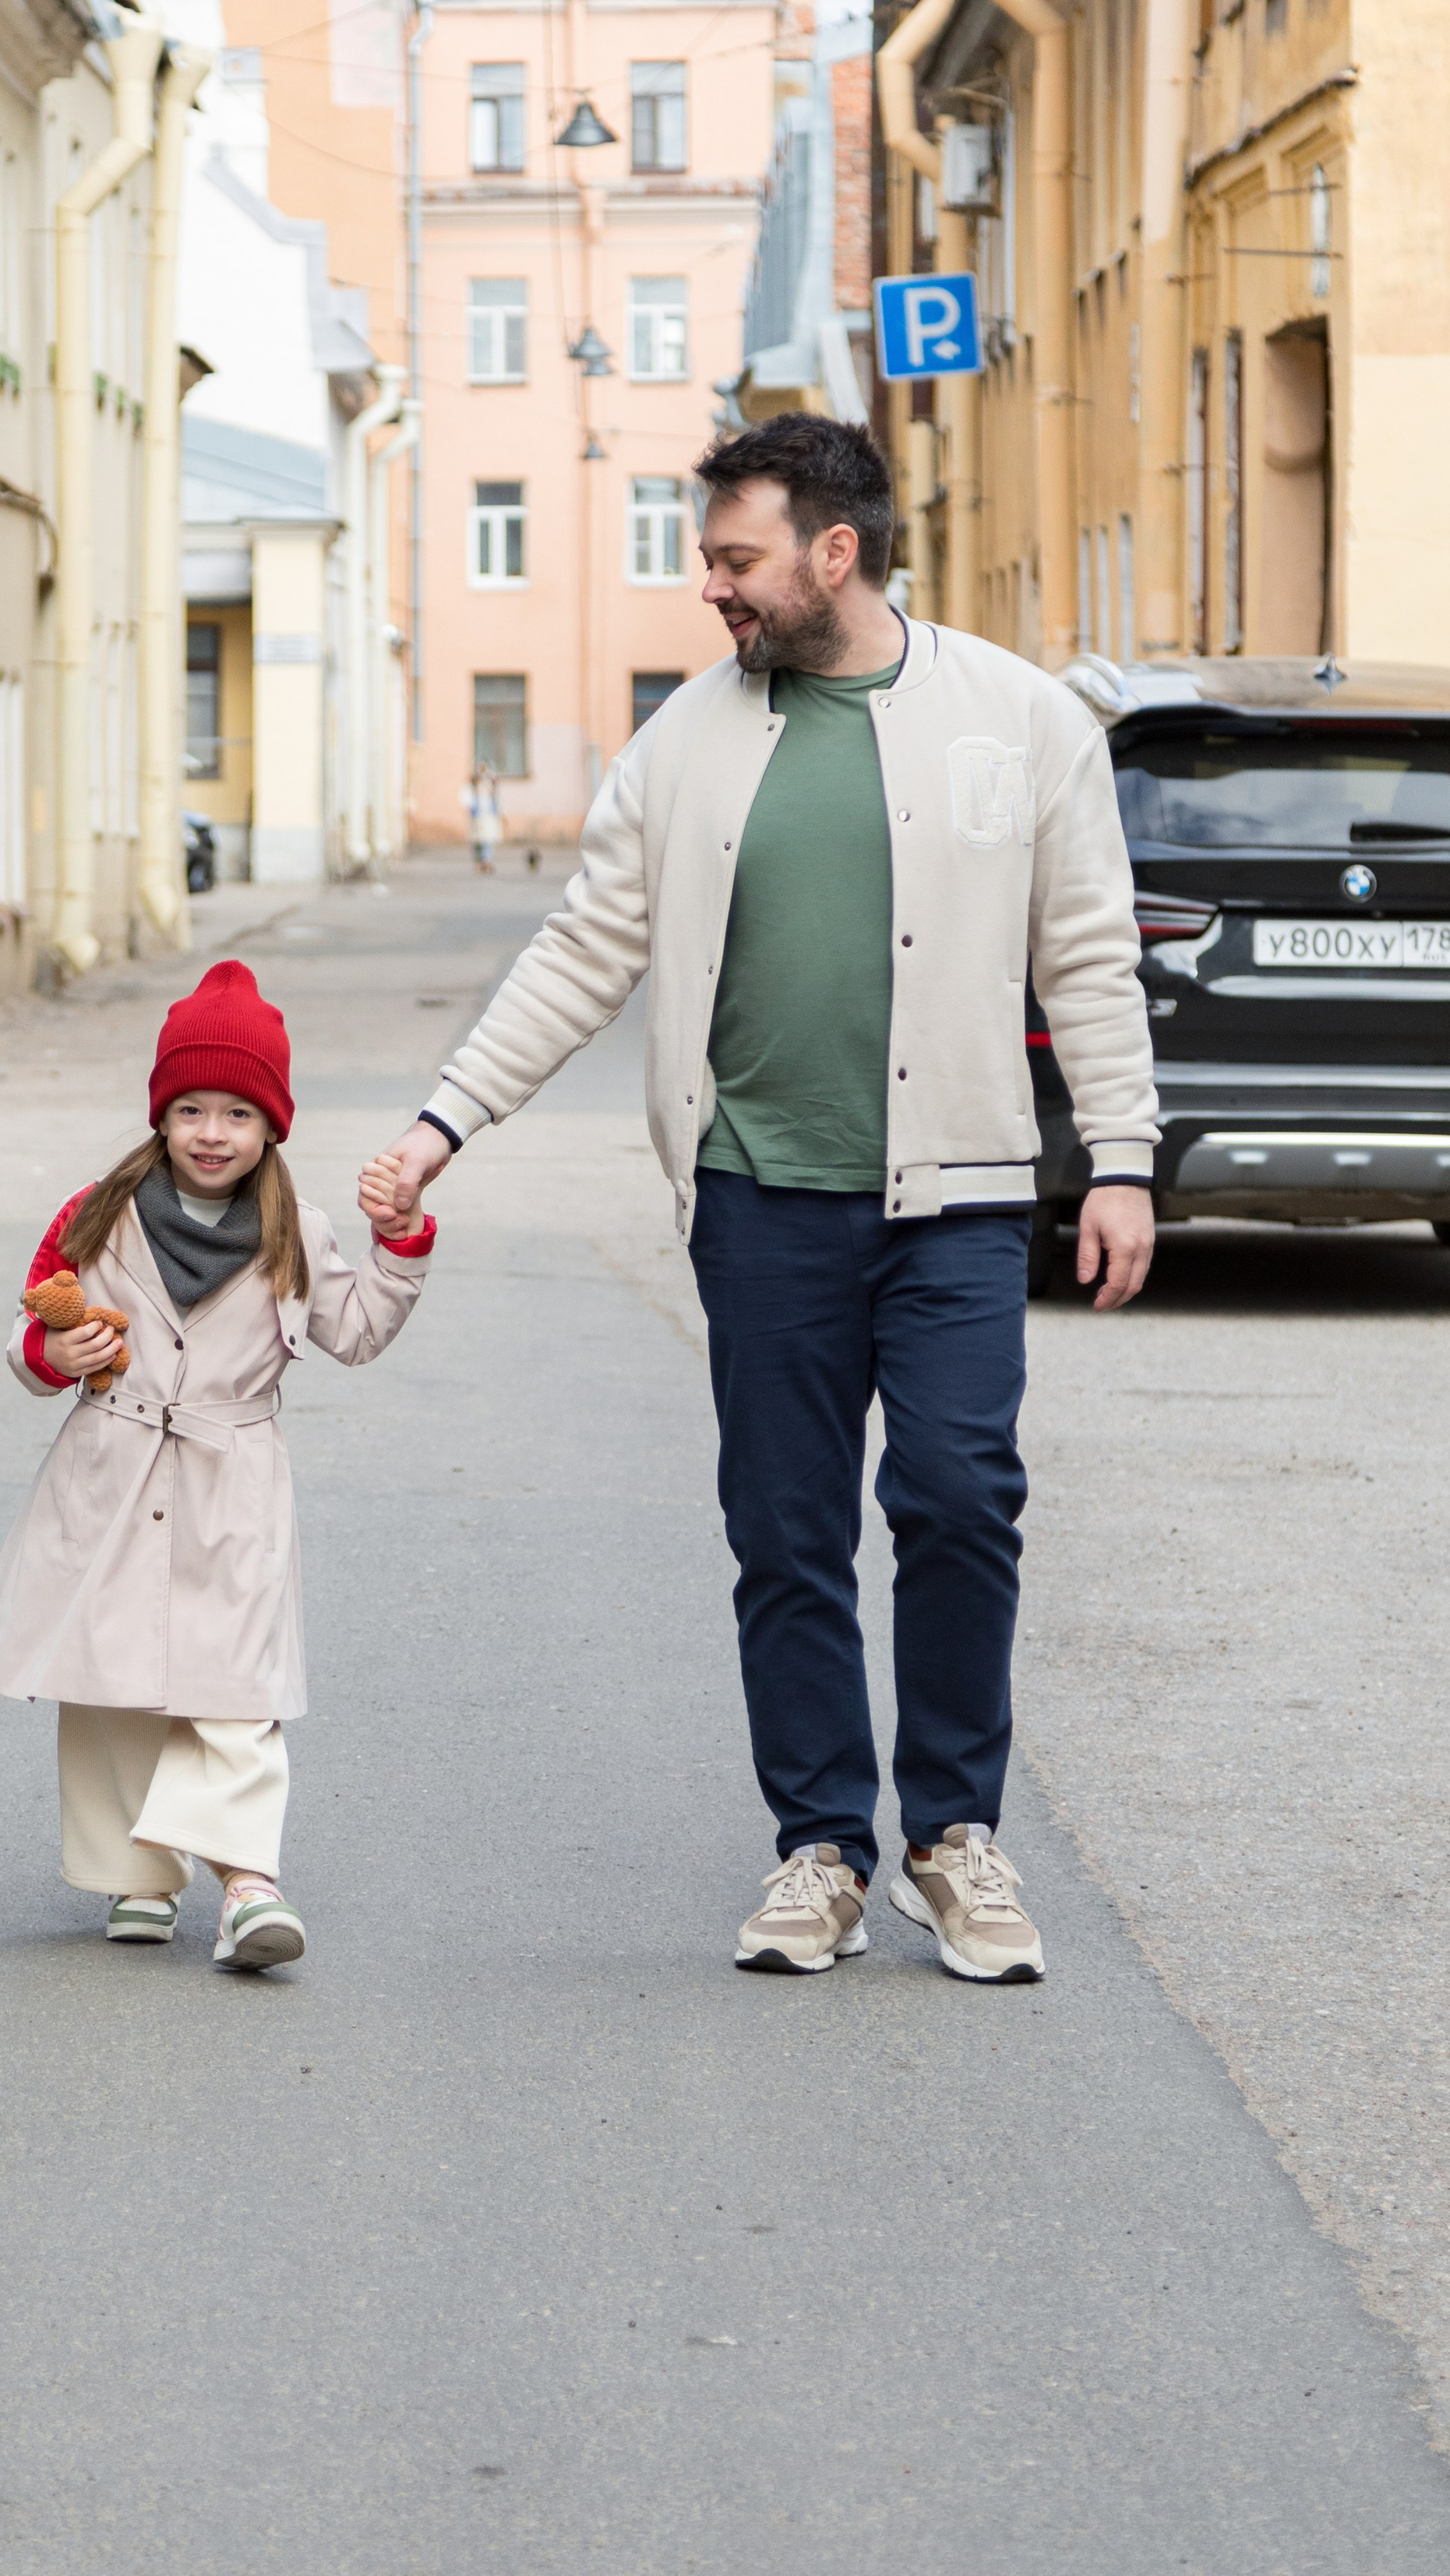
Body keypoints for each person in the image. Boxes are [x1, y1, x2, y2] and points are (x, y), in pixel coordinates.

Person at [369, 415, 1156, 1986]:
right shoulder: (684, 746)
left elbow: (1085, 948)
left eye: (733, 559)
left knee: (954, 1499)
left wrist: (1121, 1158)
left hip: (960, 1202)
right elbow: (581, 954)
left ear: (832, 550)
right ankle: (818, 1847)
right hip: (758, 1201)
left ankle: (950, 1837)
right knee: (785, 1531)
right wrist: (443, 1121)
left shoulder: (1015, 718)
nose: (711, 592)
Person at [0, 961, 436, 1972]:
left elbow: (352, 1332)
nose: (212, 1132)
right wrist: (55, 1355)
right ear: (161, 1116)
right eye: (190, 1110)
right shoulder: (94, 1211)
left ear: (272, 1127)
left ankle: (249, 1886)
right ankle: (143, 1873)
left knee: (235, 1679)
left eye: (236, 1113)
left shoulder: (296, 1230)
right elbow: (29, 1328)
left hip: (233, 1472)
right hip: (112, 1463)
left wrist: (401, 1246)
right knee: (112, 1678)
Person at [464, 762, 503, 873]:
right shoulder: (473, 784)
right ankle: (478, 861)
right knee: (477, 841)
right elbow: (468, 799)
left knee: (488, 840)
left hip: (489, 815)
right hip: (477, 816)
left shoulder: (491, 783)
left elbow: (496, 798)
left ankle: (486, 861)